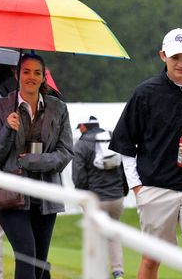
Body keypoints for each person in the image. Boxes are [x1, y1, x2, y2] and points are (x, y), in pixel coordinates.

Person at [109, 28, 182, 279]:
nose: (181, 63)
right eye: (175, 57)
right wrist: (137, 187)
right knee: (152, 259)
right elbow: (125, 143)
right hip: (155, 187)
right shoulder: (145, 93)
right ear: (163, 56)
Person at [0, 53, 74, 279]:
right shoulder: (1, 108)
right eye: (26, 72)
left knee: (39, 263)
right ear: (16, 75)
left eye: (37, 73)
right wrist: (7, 129)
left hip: (46, 196)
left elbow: (66, 153)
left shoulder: (58, 108)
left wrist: (33, 161)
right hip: (10, 195)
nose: (31, 77)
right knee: (26, 255)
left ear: (44, 77)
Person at [71, 116, 128, 279]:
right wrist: (123, 191)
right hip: (117, 197)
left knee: (96, 237)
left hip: (95, 199)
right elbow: (123, 169)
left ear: (83, 126)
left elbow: (79, 176)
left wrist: (82, 197)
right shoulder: (111, 137)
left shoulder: (81, 144)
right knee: (113, 234)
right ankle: (118, 271)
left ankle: (99, 273)